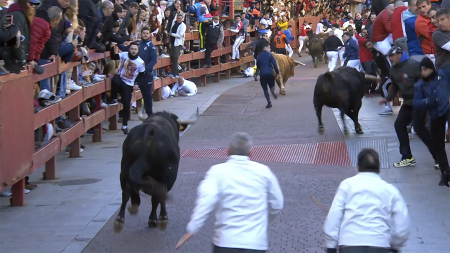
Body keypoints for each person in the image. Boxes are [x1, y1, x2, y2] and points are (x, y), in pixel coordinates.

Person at [176, 132, 284, 252]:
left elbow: (206, 200)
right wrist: (265, 221)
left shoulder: (217, 172)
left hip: (225, 242)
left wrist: (193, 228)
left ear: (228, 151)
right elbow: (278, 204)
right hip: (256, 244)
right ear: (250, 153)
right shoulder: (264, 172)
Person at [324, 148, 410, 253]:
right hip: (380, 245)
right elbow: (402, 222)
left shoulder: (347, 185)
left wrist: (331, 244)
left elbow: (334, 215)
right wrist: (396, 245)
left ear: (358, 167)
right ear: (379, 168)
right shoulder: (390, 190)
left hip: (350, 244)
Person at [379, 46, 435, 168]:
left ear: (399, 54)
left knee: (420, 129)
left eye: (392, 56)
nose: (391, 58)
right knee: (399, 125)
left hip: (420, 102)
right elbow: (395, 85)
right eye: (389, 57)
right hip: (408, 103)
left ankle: (439, 158)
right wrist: (388, 98)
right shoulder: (393, 69)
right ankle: (407, 157)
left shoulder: (413, 65)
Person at [413, 57, 450, 186]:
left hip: (447, 108)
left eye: (426, 70)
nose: (423, 73)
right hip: (436, 115)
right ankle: (445, 171)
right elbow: (416, 102)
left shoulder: (443, 75)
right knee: (438, 144)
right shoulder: (420, 85)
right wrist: (428, 101)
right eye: (421, 70)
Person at [107, 42, 145, 135]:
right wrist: (112, 47)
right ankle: (114, 98)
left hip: (129, 84)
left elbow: (142, 75)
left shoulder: (140, 62)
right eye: (132, 49)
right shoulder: (124, 55)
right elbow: (113, 57)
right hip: (120, 79)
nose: (133, 51)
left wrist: (137, 84)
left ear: (137, 50)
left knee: (127, 105)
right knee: (115, 80)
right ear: (129, 49)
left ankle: (124, 126)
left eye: (135, 49)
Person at [118, 27, 158, 116]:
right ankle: (124, 115)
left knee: (147, 95)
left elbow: (154, 61)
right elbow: (125, 49)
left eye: (147, 33)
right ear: (141, 33)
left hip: (146, 75)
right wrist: (116, 43)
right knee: (126, 92)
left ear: (149, 34)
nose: (145, 35)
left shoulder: (151, 47)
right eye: (144, 33)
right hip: (133, 74)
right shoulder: (137, 44)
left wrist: (144, 69)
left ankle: (149, 115)